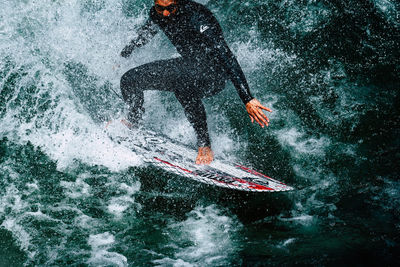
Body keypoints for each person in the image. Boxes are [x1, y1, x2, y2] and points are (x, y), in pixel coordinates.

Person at [120, 0, 271, 165]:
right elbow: (145, 33)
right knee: (130, 80)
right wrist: (123, 55)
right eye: (159, 8)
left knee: (183, 83)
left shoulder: (198, 17)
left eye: (170, 8)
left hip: (214, 74)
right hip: (189, 67)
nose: (165, 13)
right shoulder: (158, 13)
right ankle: (133, 122)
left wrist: (247, 98)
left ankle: (204, 144)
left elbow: (226, 56)